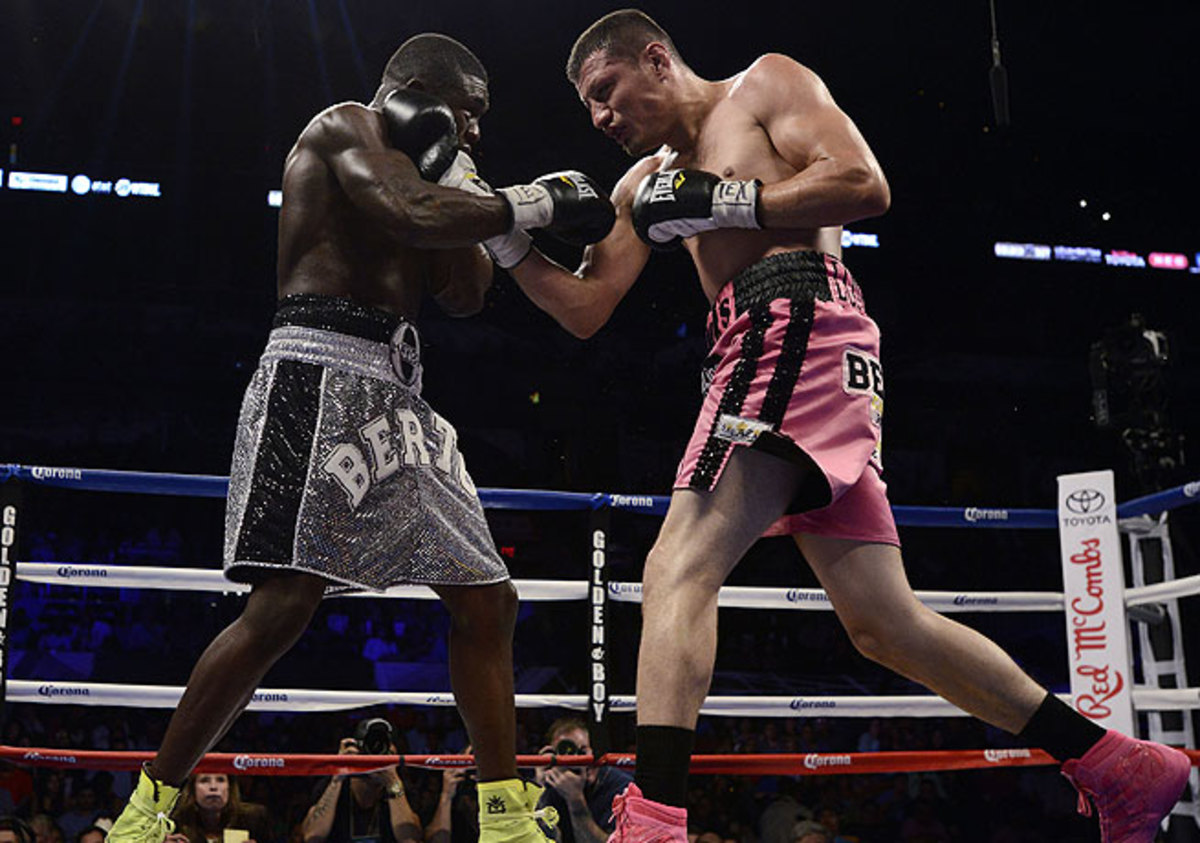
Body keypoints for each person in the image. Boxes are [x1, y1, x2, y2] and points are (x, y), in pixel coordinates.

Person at [498, 9, 1192, 842]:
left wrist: (727, 200)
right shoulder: (641, 185)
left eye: (607, 93)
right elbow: (586, 307)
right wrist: (508, 244)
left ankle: (652, 823)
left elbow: (865, 183)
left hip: (794, 321)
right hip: (767, 347)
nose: (602, 118)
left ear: (656, 59)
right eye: (588, 109)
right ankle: (1117, 764)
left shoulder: (763, 86)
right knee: (883, 624)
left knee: (677, 566)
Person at [105, 31, 615, 843]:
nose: (478, 130)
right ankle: (147, 809)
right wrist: (533, 200)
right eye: (470, 113)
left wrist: (460, 177)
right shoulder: (344, 125)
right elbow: (402, 211)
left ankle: (508, 816)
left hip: (403, 396)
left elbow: (466, 295)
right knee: (282, 608)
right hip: (317, 368)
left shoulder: (438, 169)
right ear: (421, 87)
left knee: (489, 598)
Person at [302, 726, 418, 843]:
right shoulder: (332, 786)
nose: (376, 759)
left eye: (384, 752)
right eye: (370, 751)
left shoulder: (401, 790)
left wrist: (392, 782)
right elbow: (312, 837)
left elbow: (410, 840)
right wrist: (338, 777)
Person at [532, 718, 632, 843]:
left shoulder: (622, 787)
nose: (577, 760)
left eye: (583, 751)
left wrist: (575, 801)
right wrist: (539, 791)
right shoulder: (552, 781)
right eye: (566, 753)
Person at [170, 774, 270, 843]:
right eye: (204, 780)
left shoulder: (254, 819)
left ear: (230, 788)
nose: (213, 787)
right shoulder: (175, 822)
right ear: (192, 789)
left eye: (220, 780)